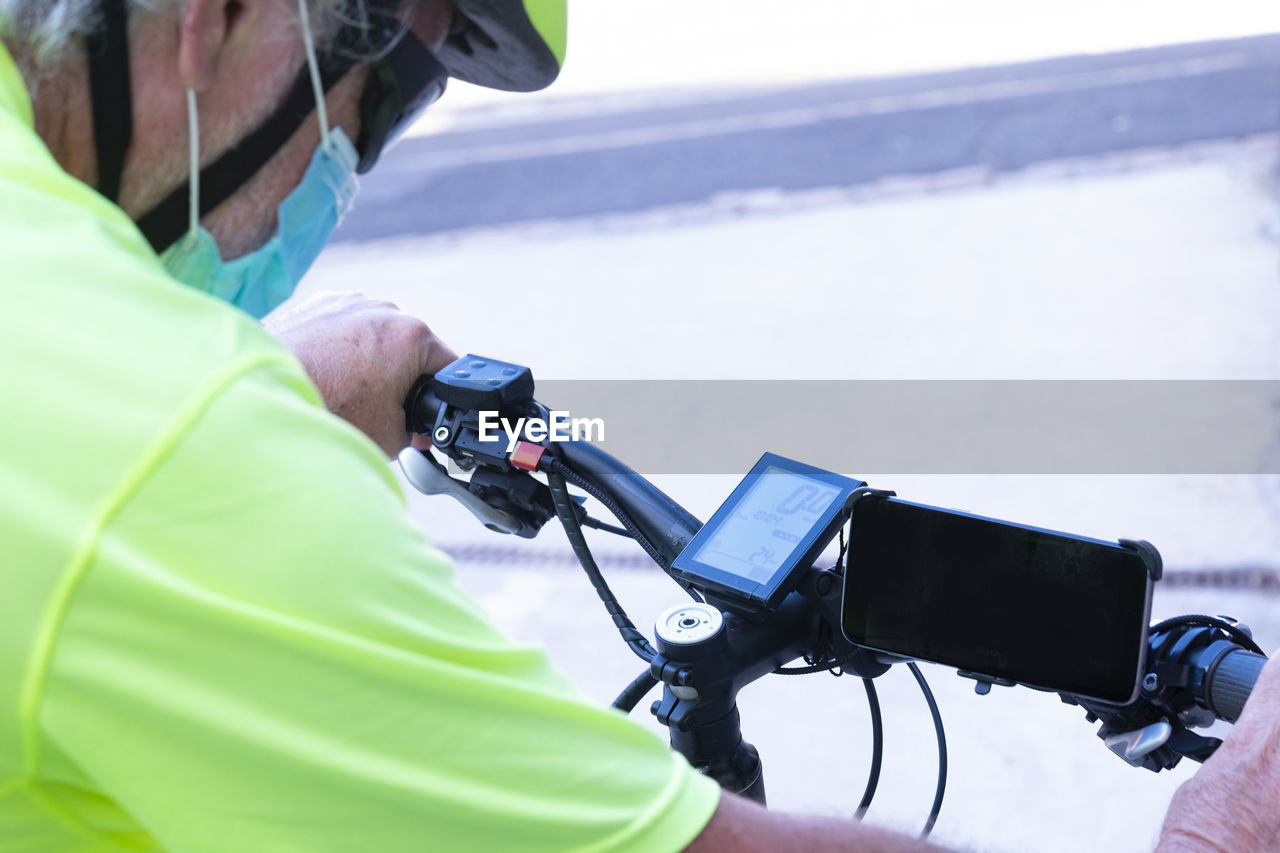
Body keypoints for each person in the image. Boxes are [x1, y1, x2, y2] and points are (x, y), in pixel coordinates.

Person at [0, 0, 1277, 848]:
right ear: (213, 15)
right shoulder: (171, 451)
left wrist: (252, 404)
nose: (348, 162)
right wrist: (1223, 825)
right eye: (385, 97)